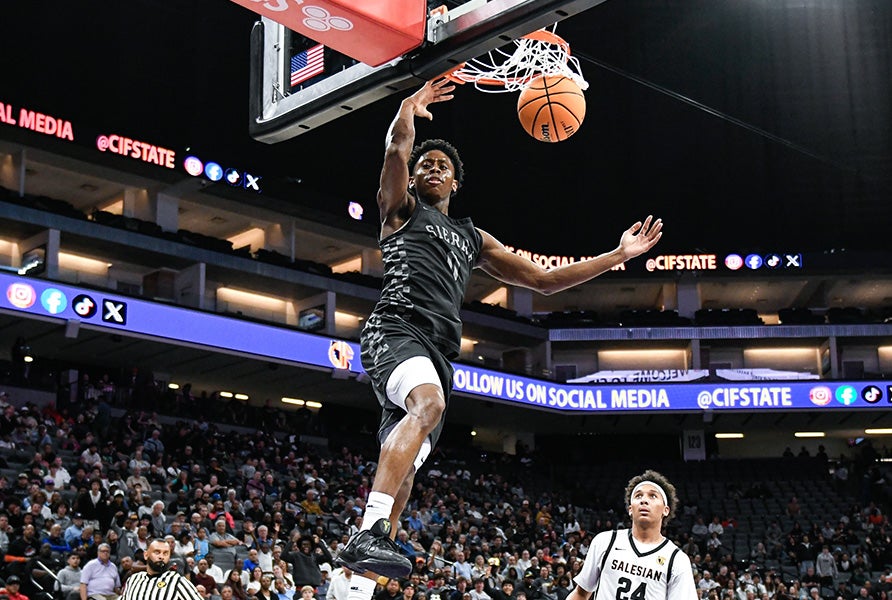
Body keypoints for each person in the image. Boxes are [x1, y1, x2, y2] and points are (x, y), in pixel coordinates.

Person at [336, 78, 663, 589]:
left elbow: (544, 281)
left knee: (404, 479)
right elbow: (398, 146)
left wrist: (618, 256)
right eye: (427, 164)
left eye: (443, 165)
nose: (433, 167)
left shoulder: (473, 238)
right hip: (396, 330)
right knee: (431, 407)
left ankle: (353, 583)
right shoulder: (400, 211)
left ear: (456, 184)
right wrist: (407, 106)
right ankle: (372, 529)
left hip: (438, 354)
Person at [564, 470, 696, 600]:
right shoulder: (605, 541)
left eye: (652, 496)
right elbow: (581, 594)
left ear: (665, 510)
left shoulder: (677, 560)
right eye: (638, 496)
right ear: (630, 509)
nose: (644, 500)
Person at [120, 539, 204, 600]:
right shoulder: (133, 579)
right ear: (146, 555)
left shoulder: (177, 581)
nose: (161, 556)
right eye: (157, 552)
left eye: (165, 553)